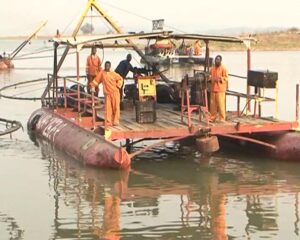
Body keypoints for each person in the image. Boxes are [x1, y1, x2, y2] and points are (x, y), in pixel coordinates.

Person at [90, 61, 123, 126]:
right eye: (105, 66)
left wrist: (118, 85)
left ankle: (116, 121)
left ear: (110, 67)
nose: (106, 67)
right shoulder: (102, 73)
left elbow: (120, 79)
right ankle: (108, 121)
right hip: (107, 94)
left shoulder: (113, 73)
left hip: (115, 93)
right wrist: (92, 86)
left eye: (108, 66)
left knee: (116, 108)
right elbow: (96, 80)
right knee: (108, 109)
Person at [209, 55, 228, 122]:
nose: (216, 61)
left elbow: (226, 78)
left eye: (218, 60)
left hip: (220, 89)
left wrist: (220, 79)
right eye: (216, 60)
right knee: (212, 105)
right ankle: (212, 117)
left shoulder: (223, 68)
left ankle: (222, 118)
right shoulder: (212, 68)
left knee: (221, 105)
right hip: (213, 88)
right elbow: (210, 76)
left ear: (220, 61)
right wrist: (210, 79)